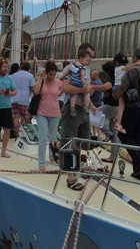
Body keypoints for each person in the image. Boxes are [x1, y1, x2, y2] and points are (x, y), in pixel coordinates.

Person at [50, 43, 95, 191]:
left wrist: (91, 95)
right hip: (72, 109)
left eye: (91, 57)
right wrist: (85, 88)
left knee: (84, 141)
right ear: (81, 54)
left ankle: (56, 147)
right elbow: (65, 88)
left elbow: (90, 90)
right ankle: (70, 177)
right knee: (68, 141)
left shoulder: (87, 70)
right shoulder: (72, 68)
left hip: (84, 110)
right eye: (88, 56)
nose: (89, 59)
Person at [113, 48, 140, 181]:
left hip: (131, 108)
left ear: (134, 58)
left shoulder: (132, 71)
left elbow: (122, 87)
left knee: (123, 134)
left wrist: (115, 96)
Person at [34, 62, 62, 171]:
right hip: (41, 112)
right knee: (42, 137)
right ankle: (41, 162)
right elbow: (35, 91)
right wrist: (41, 77)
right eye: (50, 74)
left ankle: (52, 157)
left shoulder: (58, 82)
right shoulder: (42, 81)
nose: (51, 77)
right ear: (46, 73)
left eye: (53, 75)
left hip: (55, 113)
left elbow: (63, 91)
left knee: (53, 137)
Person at [59, 50, 91, 116]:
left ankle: (72, 108)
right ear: (81, 58)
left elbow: (67, 71)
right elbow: (82, 76)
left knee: (74, 95)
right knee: (85, 94)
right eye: (87, 60)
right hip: (80, 83)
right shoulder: (82, 68)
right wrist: (85, 84)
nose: (87, 63)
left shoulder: (73, 65)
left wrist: (62, 77)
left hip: (73, 82)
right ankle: (85, 106)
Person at [9, 62, 35, 137]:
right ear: (28, 69)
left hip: (13, 99)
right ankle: (29, 135)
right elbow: (33, 88)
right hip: (24, 99)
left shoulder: (12, 75)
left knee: (15, 118)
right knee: (27, 117)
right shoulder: (30, 76)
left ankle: (17, 135)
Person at [90, 70, 103, 137]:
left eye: (91, 74)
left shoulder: (94, 83)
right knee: (96, 120)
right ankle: (97, 134)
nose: (90, 76)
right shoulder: (100, 81)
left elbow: (91, 94)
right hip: (99, 102)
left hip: (94, 103)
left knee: (95, 121)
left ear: (95, 75)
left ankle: (97, 135)